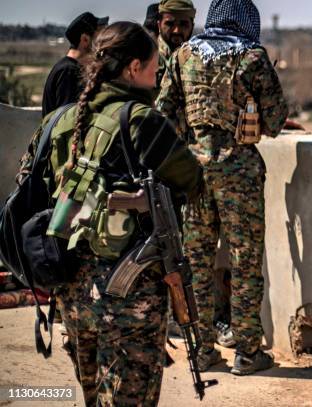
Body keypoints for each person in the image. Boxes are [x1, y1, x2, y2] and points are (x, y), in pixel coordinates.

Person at [18, 22, 202, 406]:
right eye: (153, 66)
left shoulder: (61, 119)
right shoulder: (140, 121)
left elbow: (30, 184)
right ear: (133, 68)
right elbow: (192, 179)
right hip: (128, 298)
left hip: (70, 290)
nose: (158, 74)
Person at [157, 0, 288, 375]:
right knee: (245, 262)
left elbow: (163, 112)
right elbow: (277, 120)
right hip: (240, 174)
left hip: (193, 175)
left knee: (195, 263)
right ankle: (248, 352)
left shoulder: (184, 56)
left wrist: (190, 143)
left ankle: (201, 351)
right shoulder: (252, 57)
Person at [42, 12, 108, 117]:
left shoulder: (71, 68)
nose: (103, 42)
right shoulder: (68, 71)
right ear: (85, 39)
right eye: (99, 36)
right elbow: (66, 122)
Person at [156, 0, 196, 87]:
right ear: (159, 25)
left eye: (183, 24)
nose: (176, 30)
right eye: (170, 24)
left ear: (192, 26)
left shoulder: (198, 59)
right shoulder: (147, 56)